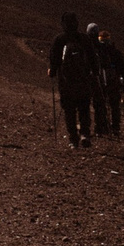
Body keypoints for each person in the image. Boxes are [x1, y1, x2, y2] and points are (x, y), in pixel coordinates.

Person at [47, 12, 95, 149]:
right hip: (83, 81)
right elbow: (92, 58)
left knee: (69, 111)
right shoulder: (84, 39)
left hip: (66, 82)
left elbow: (54, 59)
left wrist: (52, 71)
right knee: (84, 108)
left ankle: (73, 139)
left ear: (63, 24)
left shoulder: (59, 39)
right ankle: (85, 134)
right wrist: (95, 72)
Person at [91, 24, 124, 137]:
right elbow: (123, 68)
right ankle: (115, 128)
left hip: (101, 81)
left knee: (100, 104)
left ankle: (100, 127)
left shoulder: (97, 52)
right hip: (113, 82)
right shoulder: (115, 52)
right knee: (114, 105)